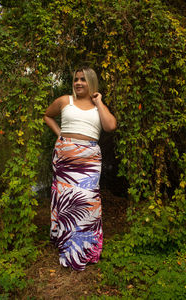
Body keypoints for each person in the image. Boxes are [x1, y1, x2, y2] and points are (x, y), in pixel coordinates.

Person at [44, 66, 117, 271]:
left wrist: (99, 101)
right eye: (76, 79)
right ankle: (68, 246)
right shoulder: (64, 101)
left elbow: (110, 126)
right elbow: (47, 116)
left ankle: (87, 247)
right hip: (65, 161)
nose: (78, 83)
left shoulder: (98, 107)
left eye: (83, 79)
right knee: (67, 204)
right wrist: (60, 134)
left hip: (89, 161)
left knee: (87, 201)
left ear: (91, 82)